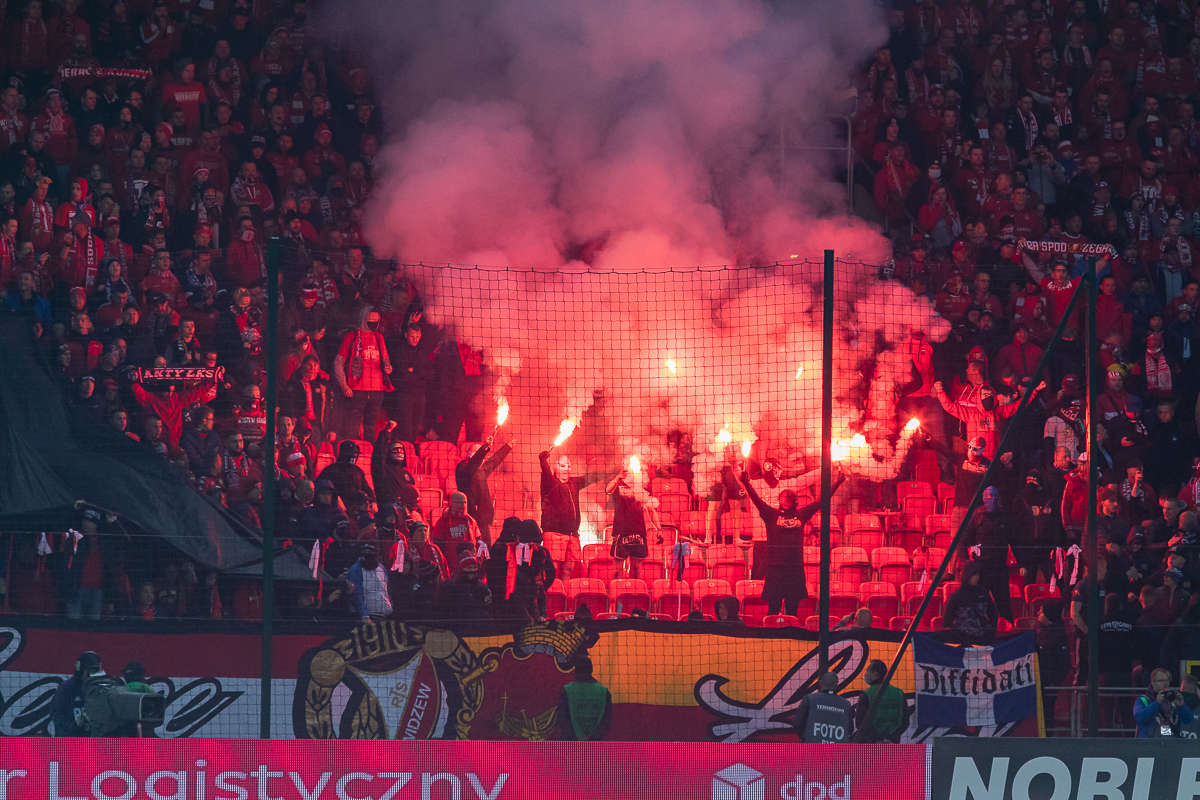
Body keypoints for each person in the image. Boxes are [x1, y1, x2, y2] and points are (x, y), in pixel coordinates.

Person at [740, 466, 844, 615]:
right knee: (773, 610)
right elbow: (756, 499)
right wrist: (746, 482)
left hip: (794, 570)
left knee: (792, 611)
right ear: (779, 502)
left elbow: (822, 501)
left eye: (790, 500)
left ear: (795, 502)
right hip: (775, 570)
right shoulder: (771, 515)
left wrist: (838, 482)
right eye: (784, 500)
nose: (787, 502)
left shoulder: (801, 514)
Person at [539, 448, 607, 581]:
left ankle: (564, 597)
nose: (567, 468)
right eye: (563, 465)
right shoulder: (550, 482)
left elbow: (592, 477)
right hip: (554, 534)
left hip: (572, 535)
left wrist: (614, 470)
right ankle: (550, 597)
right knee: (552, 570)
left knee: (568, 571)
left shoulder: (574, 483)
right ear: (555, 467)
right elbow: (545, 473)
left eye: (569, 466)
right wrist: (543, 461)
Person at [333, 306, 391, 440]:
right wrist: (343, 383)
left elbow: (386, 358)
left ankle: (370, 454)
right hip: (357, 389)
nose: (374, 323)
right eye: (371, 320)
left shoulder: (379, 337)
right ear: (364, 319)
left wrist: (388, 366)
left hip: (377, 390)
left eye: (377, 320)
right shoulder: (351, 337)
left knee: (371, 428)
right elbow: (339, 361)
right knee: (352, 426)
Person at [605, 465, 661, 580]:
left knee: (636, 567)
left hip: (639, 533)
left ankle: (634, 592)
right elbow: (607, 490)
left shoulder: (642, 488)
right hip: (621, 532)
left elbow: (651, 510)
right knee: (617, 568)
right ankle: (616, 593)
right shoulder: (619, 484)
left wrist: (658, 529)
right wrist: (618, 477)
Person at [455, 434, 512, 543]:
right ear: (471, 454)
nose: (482, 459)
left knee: (486, 550)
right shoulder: (462, 468)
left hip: (482, 519)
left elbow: (493, 462)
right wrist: (484, 449)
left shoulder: (480, 471)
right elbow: (471, 468)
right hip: (470, 520)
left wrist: (507, 447)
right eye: (479, 455)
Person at [556, 656, 613, 741]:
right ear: (591, 670)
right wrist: (593, 738)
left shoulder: (567, 691)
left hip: (571, 743)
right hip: (595, 744)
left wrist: (574, 737)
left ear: (576, 671)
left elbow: (562, 719)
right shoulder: (603, 692)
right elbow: (606, 721)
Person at [1034, 601, 1069, 733]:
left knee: (1047, 711)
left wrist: (1054, 680)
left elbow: (1064, 662)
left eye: (1041, 611)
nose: (1038, 613)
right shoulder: (1038, 632)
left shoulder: (1059, 636)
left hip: (1048, 683)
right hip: (1036, 681)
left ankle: (1047, 737)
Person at [510, 519, 555, 622]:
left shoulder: (514, 550)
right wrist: (543, 587)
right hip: (532, 597)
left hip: (519, 598)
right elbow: (551, 573)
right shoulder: (543, 552)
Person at [48, 651, 103, 736]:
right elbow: (55, 714)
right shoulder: (66, 688)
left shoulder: (99, 689)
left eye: (95, 672)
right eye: (89, 672)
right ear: (80, 670)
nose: (92, 676)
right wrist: (72, 726)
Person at [943, 560, 999, 642]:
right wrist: (958, 637)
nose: (977, 578)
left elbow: (993, 615)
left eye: (978, 575)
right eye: (974, 575)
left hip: (982, 639)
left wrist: (990, 634)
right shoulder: (957, 596)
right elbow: (947, 621)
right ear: (967, 575)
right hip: (962, 641)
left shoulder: (983, 593)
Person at [430, 491, 483, 575]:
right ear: (452, 503)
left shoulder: (471, 521)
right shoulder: (443, 521)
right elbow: (438, 545)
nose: (463, 505)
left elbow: (478, 542)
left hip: (468, 566)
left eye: (465, 502)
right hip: (451, 566)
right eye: (459, 502)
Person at [792, 672, 853, 743]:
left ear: (821, 683)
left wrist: (805, 737)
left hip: (812, 749)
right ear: (836, 685)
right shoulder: (846, 704)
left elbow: (797, 722)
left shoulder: (809, 699)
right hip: (837, 751)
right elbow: (849, 730)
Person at [855, 659, 906, 743]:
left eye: (867, 672)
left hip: (871, 744)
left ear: (875, 675)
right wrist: (890, 739)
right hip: (892, 744)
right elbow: (904, 722)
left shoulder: (866, 694)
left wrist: (878, 739)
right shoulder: (899, 693)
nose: (866, 675)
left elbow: (860, 723)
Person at [1134, 668, 1195, 737]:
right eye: (1161, 681)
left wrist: (1181, 705)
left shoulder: (1172, 700)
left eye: (1167, 680)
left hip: (1169, 744)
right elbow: (1139, 717)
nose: (1165, 683)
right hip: (1149, 744)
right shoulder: (1143, 700)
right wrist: (1157, 703)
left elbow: (1188, 720)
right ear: (1153, 683)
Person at [348, 542, 392, 622]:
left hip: (383, 615)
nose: (367, 554)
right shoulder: (355, 569)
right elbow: (356, 593)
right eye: (364, 552)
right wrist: (364, 615)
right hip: (365, 618)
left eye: (370, 552)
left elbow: (388, 591)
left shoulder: (382, 568)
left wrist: (389, 607)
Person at [441, 555, 492, 622]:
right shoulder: (450, 585)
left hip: (477, 623)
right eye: (469, 567)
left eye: (474, 567)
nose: (472, 570)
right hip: (456, 623)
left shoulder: (482, 587)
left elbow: (487, 607)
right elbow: (445, 608)